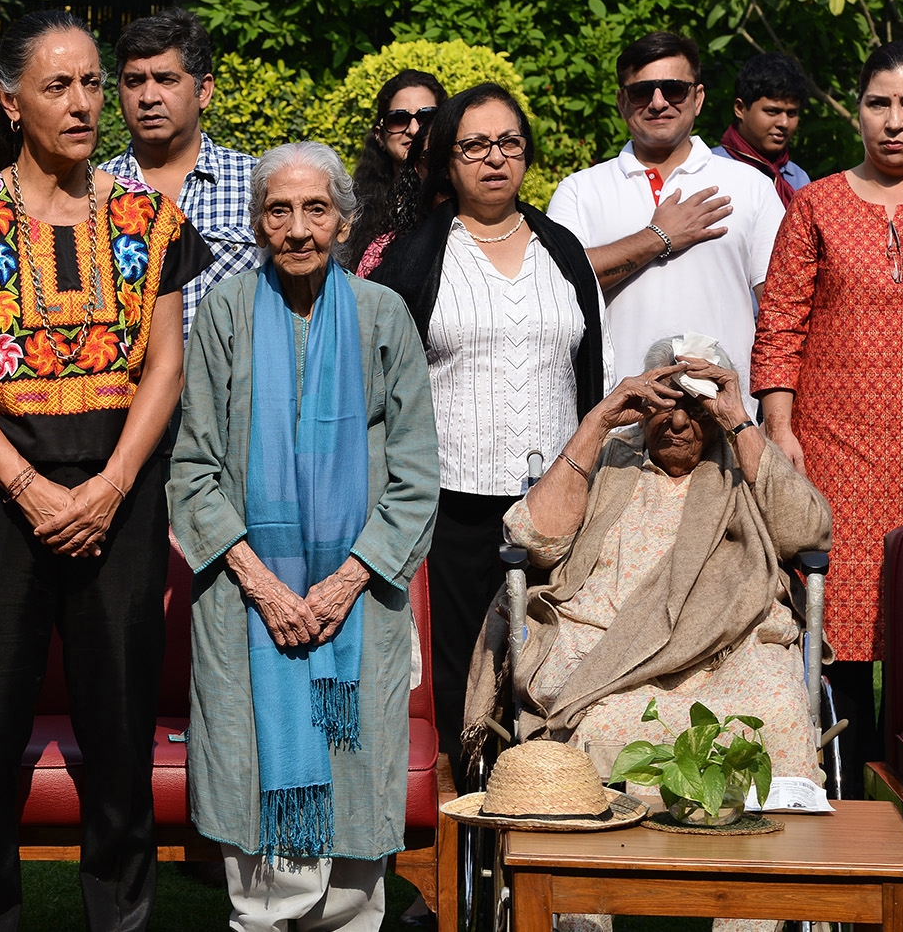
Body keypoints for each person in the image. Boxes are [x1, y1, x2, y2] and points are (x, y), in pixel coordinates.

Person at [0, 8, 211, 932]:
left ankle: (121, 917)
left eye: (90, 84)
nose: (83, 104)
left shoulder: (151, 218)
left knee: (119, 732)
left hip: (121, 498)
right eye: (57, 86)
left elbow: (166, 367)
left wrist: (111, 485)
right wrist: (28, 486)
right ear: (11, 101)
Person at [170, 141, 438, 931]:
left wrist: (343, 582)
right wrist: (264, 587)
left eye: (316, 209)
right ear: (257, 224)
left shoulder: (382, 314)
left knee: (354, 815)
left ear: (345, 222)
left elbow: (416, 473)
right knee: (257, 803)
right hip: (246, 604)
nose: (297, 228)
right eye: (278, 211)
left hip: (360, 602)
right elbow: (193, 469)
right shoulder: (224, 312)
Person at [368, 83, 611, 763]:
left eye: (509, 143)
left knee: (553, 663)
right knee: (458, 673)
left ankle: (544, 799)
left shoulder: (564, 252)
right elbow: (379, 382)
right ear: (447, 161)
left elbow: (600, 369)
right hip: (451, 506)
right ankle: (463, 808)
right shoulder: (414, 259)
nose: (495, 158)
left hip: (558, 506)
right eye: (474, 145)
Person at [465, 340, 829, 780]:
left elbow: (807, 533)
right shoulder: (611, 456)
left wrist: (738, 419)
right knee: (599, 722)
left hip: (727, 646)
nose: (678, 422)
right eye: (666, 404)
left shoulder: (741, 458)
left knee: (779, 712)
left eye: (696, 409)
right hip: (606, 641)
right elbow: (532, 539)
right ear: (644, 405)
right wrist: (597, 421)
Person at [752, 39, 903, 799]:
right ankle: (838, 808)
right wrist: (780, 429)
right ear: (857, 112)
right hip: (834, 454)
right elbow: (781, 325)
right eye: (878, 104)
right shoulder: (818, 205)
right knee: (835, 641)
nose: (894, 122)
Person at [548, 31, 785, 418]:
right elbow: (557, 288)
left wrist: (777, 423)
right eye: (642, 91)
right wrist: (658, 238)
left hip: (727, 425)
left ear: (698, 98)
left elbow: (783, 316)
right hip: (618, 426)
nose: (658, 102)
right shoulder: (580, 191)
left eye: (674, 89)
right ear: (622, 102)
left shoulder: (752, 187)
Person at [101, 7, 256, 340]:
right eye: (134, 82)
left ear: (203, 91)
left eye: (166, 80)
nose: (148, 97)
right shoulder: (91, 193)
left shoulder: (256, 184)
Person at [346, 70, 448, 276]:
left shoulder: (464, 199)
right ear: (380, 136)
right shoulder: (354, 211)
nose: (413, 129)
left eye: (427, 117)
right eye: (399, 119)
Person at [715, 51, 812, 207]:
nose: (784, 123)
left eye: (792, 113)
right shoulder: (709, 168)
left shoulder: (798, 179)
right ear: (740, 109)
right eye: (772, 111)